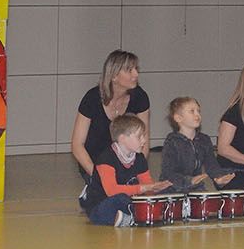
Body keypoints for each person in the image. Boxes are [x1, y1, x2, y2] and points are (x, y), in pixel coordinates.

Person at [77, 113, 172, 227]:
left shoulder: (139, 158)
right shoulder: (106, 159)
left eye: (144, 136)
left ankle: (129, 217)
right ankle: (130, 217)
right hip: (101, 203)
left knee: (148, 198)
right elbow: (111, 191)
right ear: (122, 138)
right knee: (120, 199)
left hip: (127, 200)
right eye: (139, 136)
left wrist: (156, 190)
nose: (144, 140)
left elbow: (147, 183)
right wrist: (143, 188)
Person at [70, 50, 150, 179]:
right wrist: (97, 176)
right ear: (113, 76)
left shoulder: (140, 97)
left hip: (127, 165)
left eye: (136, 69)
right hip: (95, 164)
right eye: (129, 70)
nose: (136, 74)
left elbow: (144, 140)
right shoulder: (92, 98)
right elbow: (77, 144)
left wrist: (136, 171)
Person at [160, 96, 235, 191]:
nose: (197, 114)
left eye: (198, 111)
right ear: (178, 118)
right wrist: (188, 181)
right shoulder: (172, 141)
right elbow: (168, 172)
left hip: (195, 188)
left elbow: (212, 165)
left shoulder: (204, 140)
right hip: (173, 189)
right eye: (192, 111)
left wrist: (219, 177)